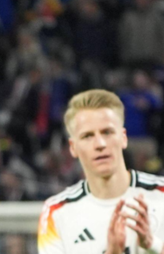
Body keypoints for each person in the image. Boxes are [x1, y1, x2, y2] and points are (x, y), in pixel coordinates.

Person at [38, 90, 164, 254]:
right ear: (73, 147)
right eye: (88, 136)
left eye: (107, 132)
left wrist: (152, 244)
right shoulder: (57, 213)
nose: (100, 144)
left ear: (123, 137)